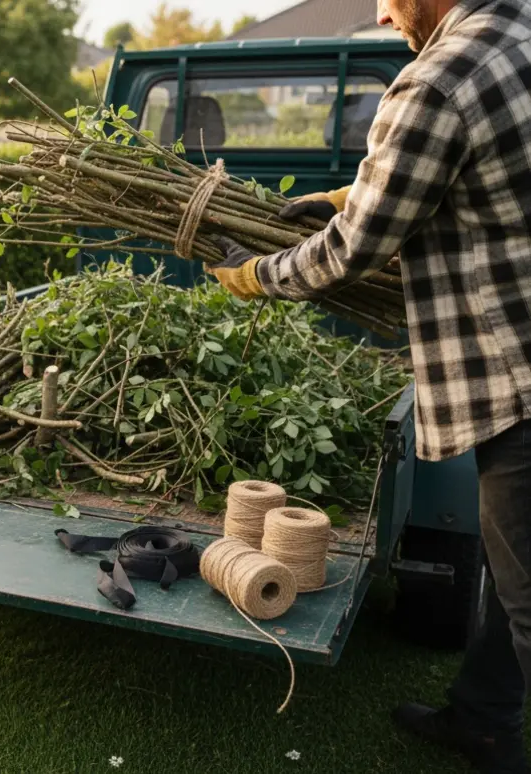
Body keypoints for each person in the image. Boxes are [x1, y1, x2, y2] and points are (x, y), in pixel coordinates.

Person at [209, 1, 531, 772]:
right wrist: (339, 196)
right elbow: (464, 172)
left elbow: (354, 251)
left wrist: (255, 276)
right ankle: (483, 718)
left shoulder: (439, 79)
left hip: (516, 381)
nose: (384, 14)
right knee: (509, 566)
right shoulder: (516, 36)